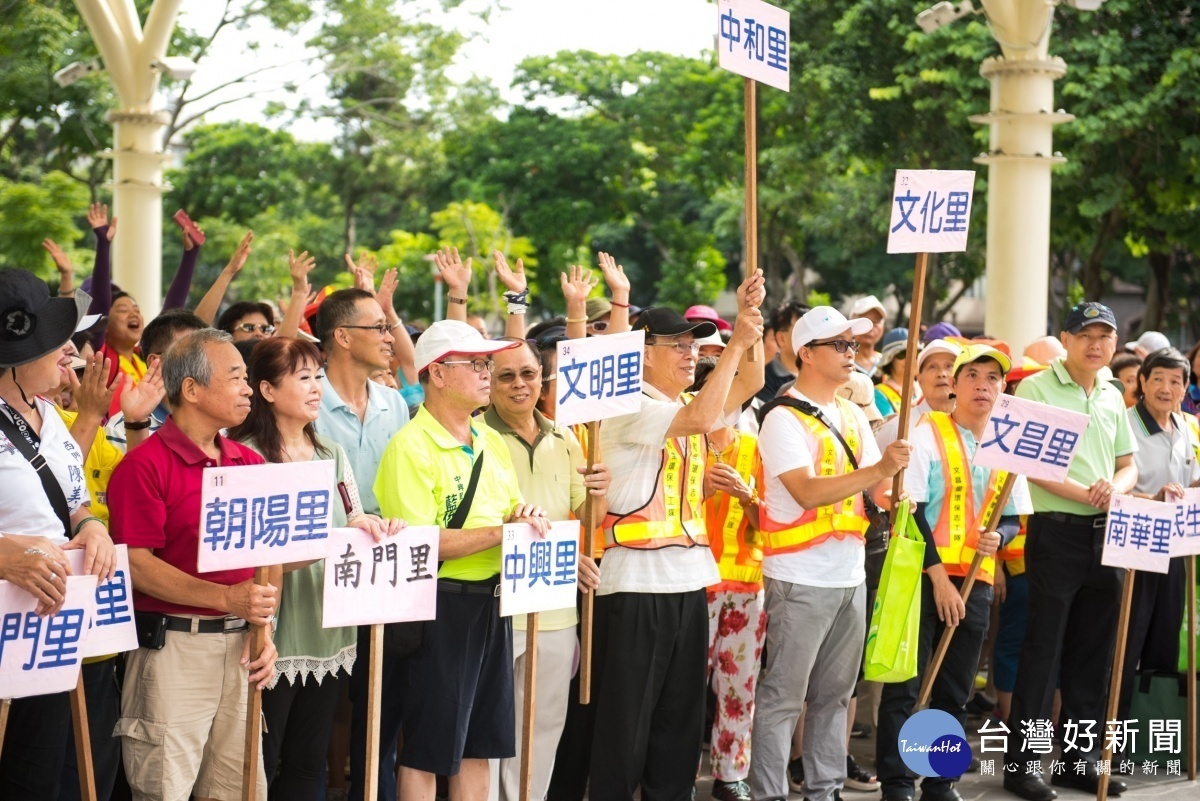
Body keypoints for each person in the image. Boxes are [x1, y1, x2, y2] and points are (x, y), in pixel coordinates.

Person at [589, 267, 765, 801]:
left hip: (688, 581)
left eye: (696, 346)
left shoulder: (674, 406)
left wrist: (747, 320)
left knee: (678, 728)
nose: (692, 354)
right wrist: (736, 341)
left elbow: (751, 382)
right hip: (634, 586)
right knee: (626, 731)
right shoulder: (627, 405)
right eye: (678, 345)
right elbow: (703, 413)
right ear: (642, 352)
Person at [374, 319, 547, 801]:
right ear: (437, 373)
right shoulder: (410, 446)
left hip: (494, 601)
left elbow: (507, 509)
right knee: (428, 749)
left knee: (479, 747)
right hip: (440, 606)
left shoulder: (489, 439)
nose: (486, 373)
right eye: (474, 364)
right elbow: (417, 544)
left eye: (485, 363)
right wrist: (503, 531)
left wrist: (522, 515)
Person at [228, 336, 403, 799]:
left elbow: (353, 516)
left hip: (328, 626)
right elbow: (240, 555)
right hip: (269, 629)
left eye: (318, 377)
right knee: (259, 759)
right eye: (303, 377)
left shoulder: (331, 454)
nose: (315, 388)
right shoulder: (244, 456)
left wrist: (373, 526)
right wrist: (324, 544)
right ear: (266, 390)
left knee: (310, 761)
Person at [747, 306, 910, 801]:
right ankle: (770, 792)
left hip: (849, 573)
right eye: (839, 345)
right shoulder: (780, 418)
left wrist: (889, 489)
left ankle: (825, 790)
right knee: (783, 698)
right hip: (798, 577)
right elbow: (807, 491)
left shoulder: (853, 413)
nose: (852, 354)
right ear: (806, 354)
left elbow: (867, 490)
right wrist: (879, 469)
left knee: (835, 697)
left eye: (853, 345)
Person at [108, 329, 279, 801]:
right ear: (191, 390)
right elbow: (137, 565)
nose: (249, 388)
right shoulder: (144, 466)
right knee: (164, 787)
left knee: (239, 788)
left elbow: (269, 556)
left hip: (242, 648)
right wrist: (226, 598)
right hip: (174, 650)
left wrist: (264, 629)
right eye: (237, 377)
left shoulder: (248, 462)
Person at [875, 345, 1033, 801]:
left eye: (992, 378)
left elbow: (1012, 515)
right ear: (956, 384)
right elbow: (913, 509)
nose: (983, 385)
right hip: (923, 576)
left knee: (955, 688)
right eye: (973, 376)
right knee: (906, 684)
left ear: (1002, 389)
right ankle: (898, 782)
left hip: (976, 581)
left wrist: (998, 539)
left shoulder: (1007, 440)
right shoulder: (928, 432)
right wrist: (938, 577)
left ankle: (940, 781)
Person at [1003, 302, 1137, 801]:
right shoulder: (1037, 387)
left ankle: (1075, 761)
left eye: (1106, 335)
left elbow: (1127, 464)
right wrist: (1086, 492)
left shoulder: (1111, 393)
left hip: (1108, 533)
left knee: (1092, 652)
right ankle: (1021, 765)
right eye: (1086, 335)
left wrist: (1115, 487)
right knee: (1044, 649)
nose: (1096, 344)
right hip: (1056, 533)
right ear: (1066, 339)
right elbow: (1024, 462)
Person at [0, 270, 118, 800]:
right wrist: (7, 557)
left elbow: (74, 502)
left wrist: (91, 527)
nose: (71, 350)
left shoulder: (49, 415)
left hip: (44, 633)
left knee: (38, 775)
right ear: (14, 359)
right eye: (55, 341)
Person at [483, 337, 606, 801]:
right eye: (506, 376)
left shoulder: (566, 437)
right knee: (490, 731)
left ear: (542, 378)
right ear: (488, 381)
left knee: (544, 727)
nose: (520, 385)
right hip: (493, 608)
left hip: (554, 607)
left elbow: (589, 518)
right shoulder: (476, 437)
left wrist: (598, 491)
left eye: (529, 374)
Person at [312, 287, 411, 801]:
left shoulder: (395, 403)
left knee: (380, 711)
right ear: (343, 337)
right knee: (318, 710)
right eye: (378, 326)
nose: (390, 335)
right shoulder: (307, 401)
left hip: (383, 573)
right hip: (316, 573)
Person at [690, 358, 765, 801]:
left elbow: (766, 521)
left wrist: (746, 493)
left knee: (739, 686)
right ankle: (676, 768)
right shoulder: (681, 443)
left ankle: (730, 774)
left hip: (744, 582)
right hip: (692, 581)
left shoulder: (754, 447)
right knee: (683, 687)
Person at [1115, 348, 1198, 745]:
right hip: (1134, 545)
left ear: (1185, 387)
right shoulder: (1125, 426)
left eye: (1176, 381)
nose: (1167, 388)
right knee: (1126, 645)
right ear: (1142, 382)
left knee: (1165, 641)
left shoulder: (1185, 427)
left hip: (1177, 548)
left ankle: (1152, 735)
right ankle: (1114, 737)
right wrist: (1156, 498)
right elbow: (1113, 488)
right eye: (1159, 378)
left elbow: (1190, 482)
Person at [105, 310, 208, 452]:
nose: (203, 363)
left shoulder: (217, 419)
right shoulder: (120, 429)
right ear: (156, 362)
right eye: (191, 353)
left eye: (206, 354)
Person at [875, 340, 961, 450]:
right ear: (919, 379)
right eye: (932, 367)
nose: (942, 374)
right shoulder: (897, 430)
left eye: (949, 366)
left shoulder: (977, 426)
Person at [755, 301, 809, 404]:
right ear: (781, 338)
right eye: (802, 330)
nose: (811, 338)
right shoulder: (762, 380)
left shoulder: (823, 371)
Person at [874, 328, 913, 418]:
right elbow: (889, 430)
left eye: (916, 353)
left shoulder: (926, 391)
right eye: (902, 354)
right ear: (889, 360)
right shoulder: (878, 394)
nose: (910, 359)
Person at [848, 296, 887, 376]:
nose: (870, 327)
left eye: (876, 321)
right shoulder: (842, 361)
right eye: (864, 321)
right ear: (850, 325)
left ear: (882, 328)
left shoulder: (887, 364)